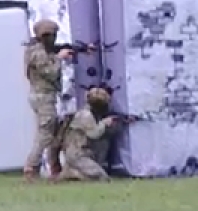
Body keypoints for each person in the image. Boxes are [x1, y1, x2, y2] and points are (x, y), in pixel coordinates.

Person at [24, 19, 75, 181]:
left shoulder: (40, 50)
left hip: (43, 96)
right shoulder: (38, 53)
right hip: (43, 97)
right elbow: (51, 72)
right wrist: (59, 58)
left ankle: (54, 167)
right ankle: (31, 167)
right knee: (45, 134)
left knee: (52, 133)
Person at [57, 87, 129, 181]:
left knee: (104, 140)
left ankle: (74, 171)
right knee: (101, 176)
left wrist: (120, 122)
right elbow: (94, 134)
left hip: (85, 152)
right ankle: (73, 173)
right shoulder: (85, 115)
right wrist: (104, 123)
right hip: (78, 155)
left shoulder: (91, 114)